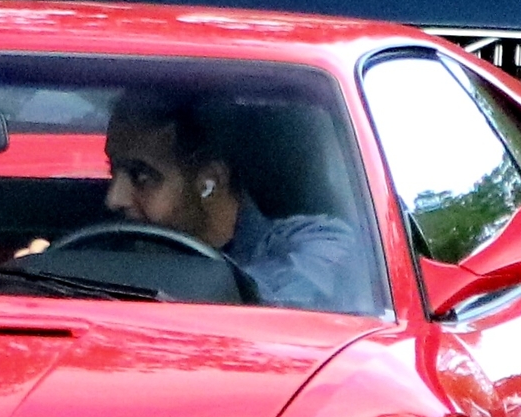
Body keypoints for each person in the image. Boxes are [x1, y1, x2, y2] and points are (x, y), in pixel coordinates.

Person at [100, 90, 358, 309]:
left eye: (142, 176)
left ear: (210, 181)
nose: (114, 198)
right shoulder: (104, 246)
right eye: (113, 170)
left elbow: (273, 307)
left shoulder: (316, 244)